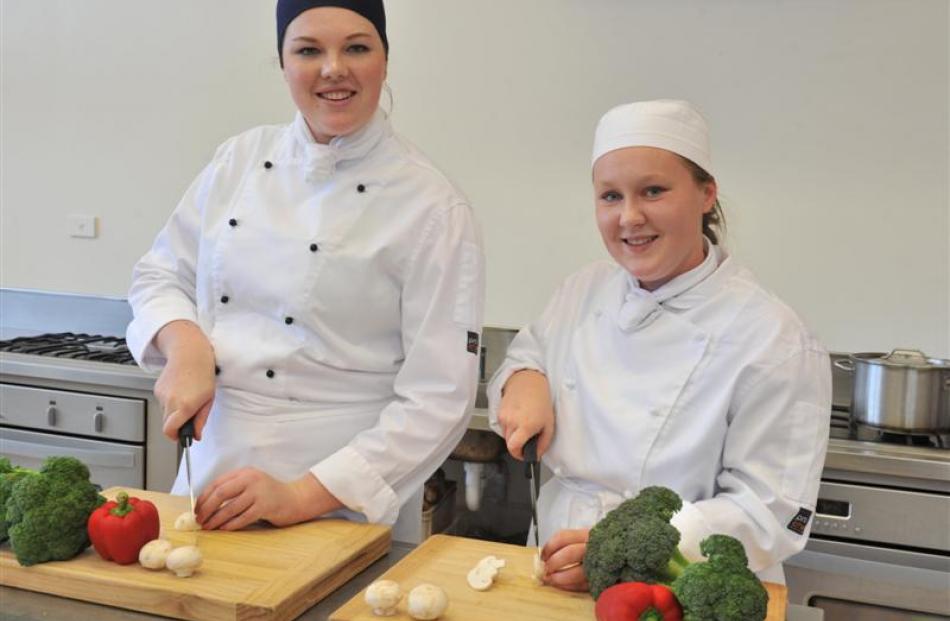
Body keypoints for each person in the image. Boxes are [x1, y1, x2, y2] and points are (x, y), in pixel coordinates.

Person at [126, 0, 484, 542]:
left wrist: (300, 495)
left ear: (385, 60)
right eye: (309, 50)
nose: (333, 68)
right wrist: (185, 346)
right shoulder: (238, 160)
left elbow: (439, 395)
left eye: (356, 47)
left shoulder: (432, 205)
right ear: (283, 61)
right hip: (211, 471)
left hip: (342, 495)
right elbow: (159, 274)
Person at [488, 99, 831, 591]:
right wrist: (523, 380)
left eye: (653, 191)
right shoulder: (583, 290)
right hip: (553, 566)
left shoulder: (774, 337)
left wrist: (618, 550)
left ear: (706, 193)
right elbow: (529, 352)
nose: (629, 217)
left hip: (680, 587)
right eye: (610, 196)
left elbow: (768, 512)